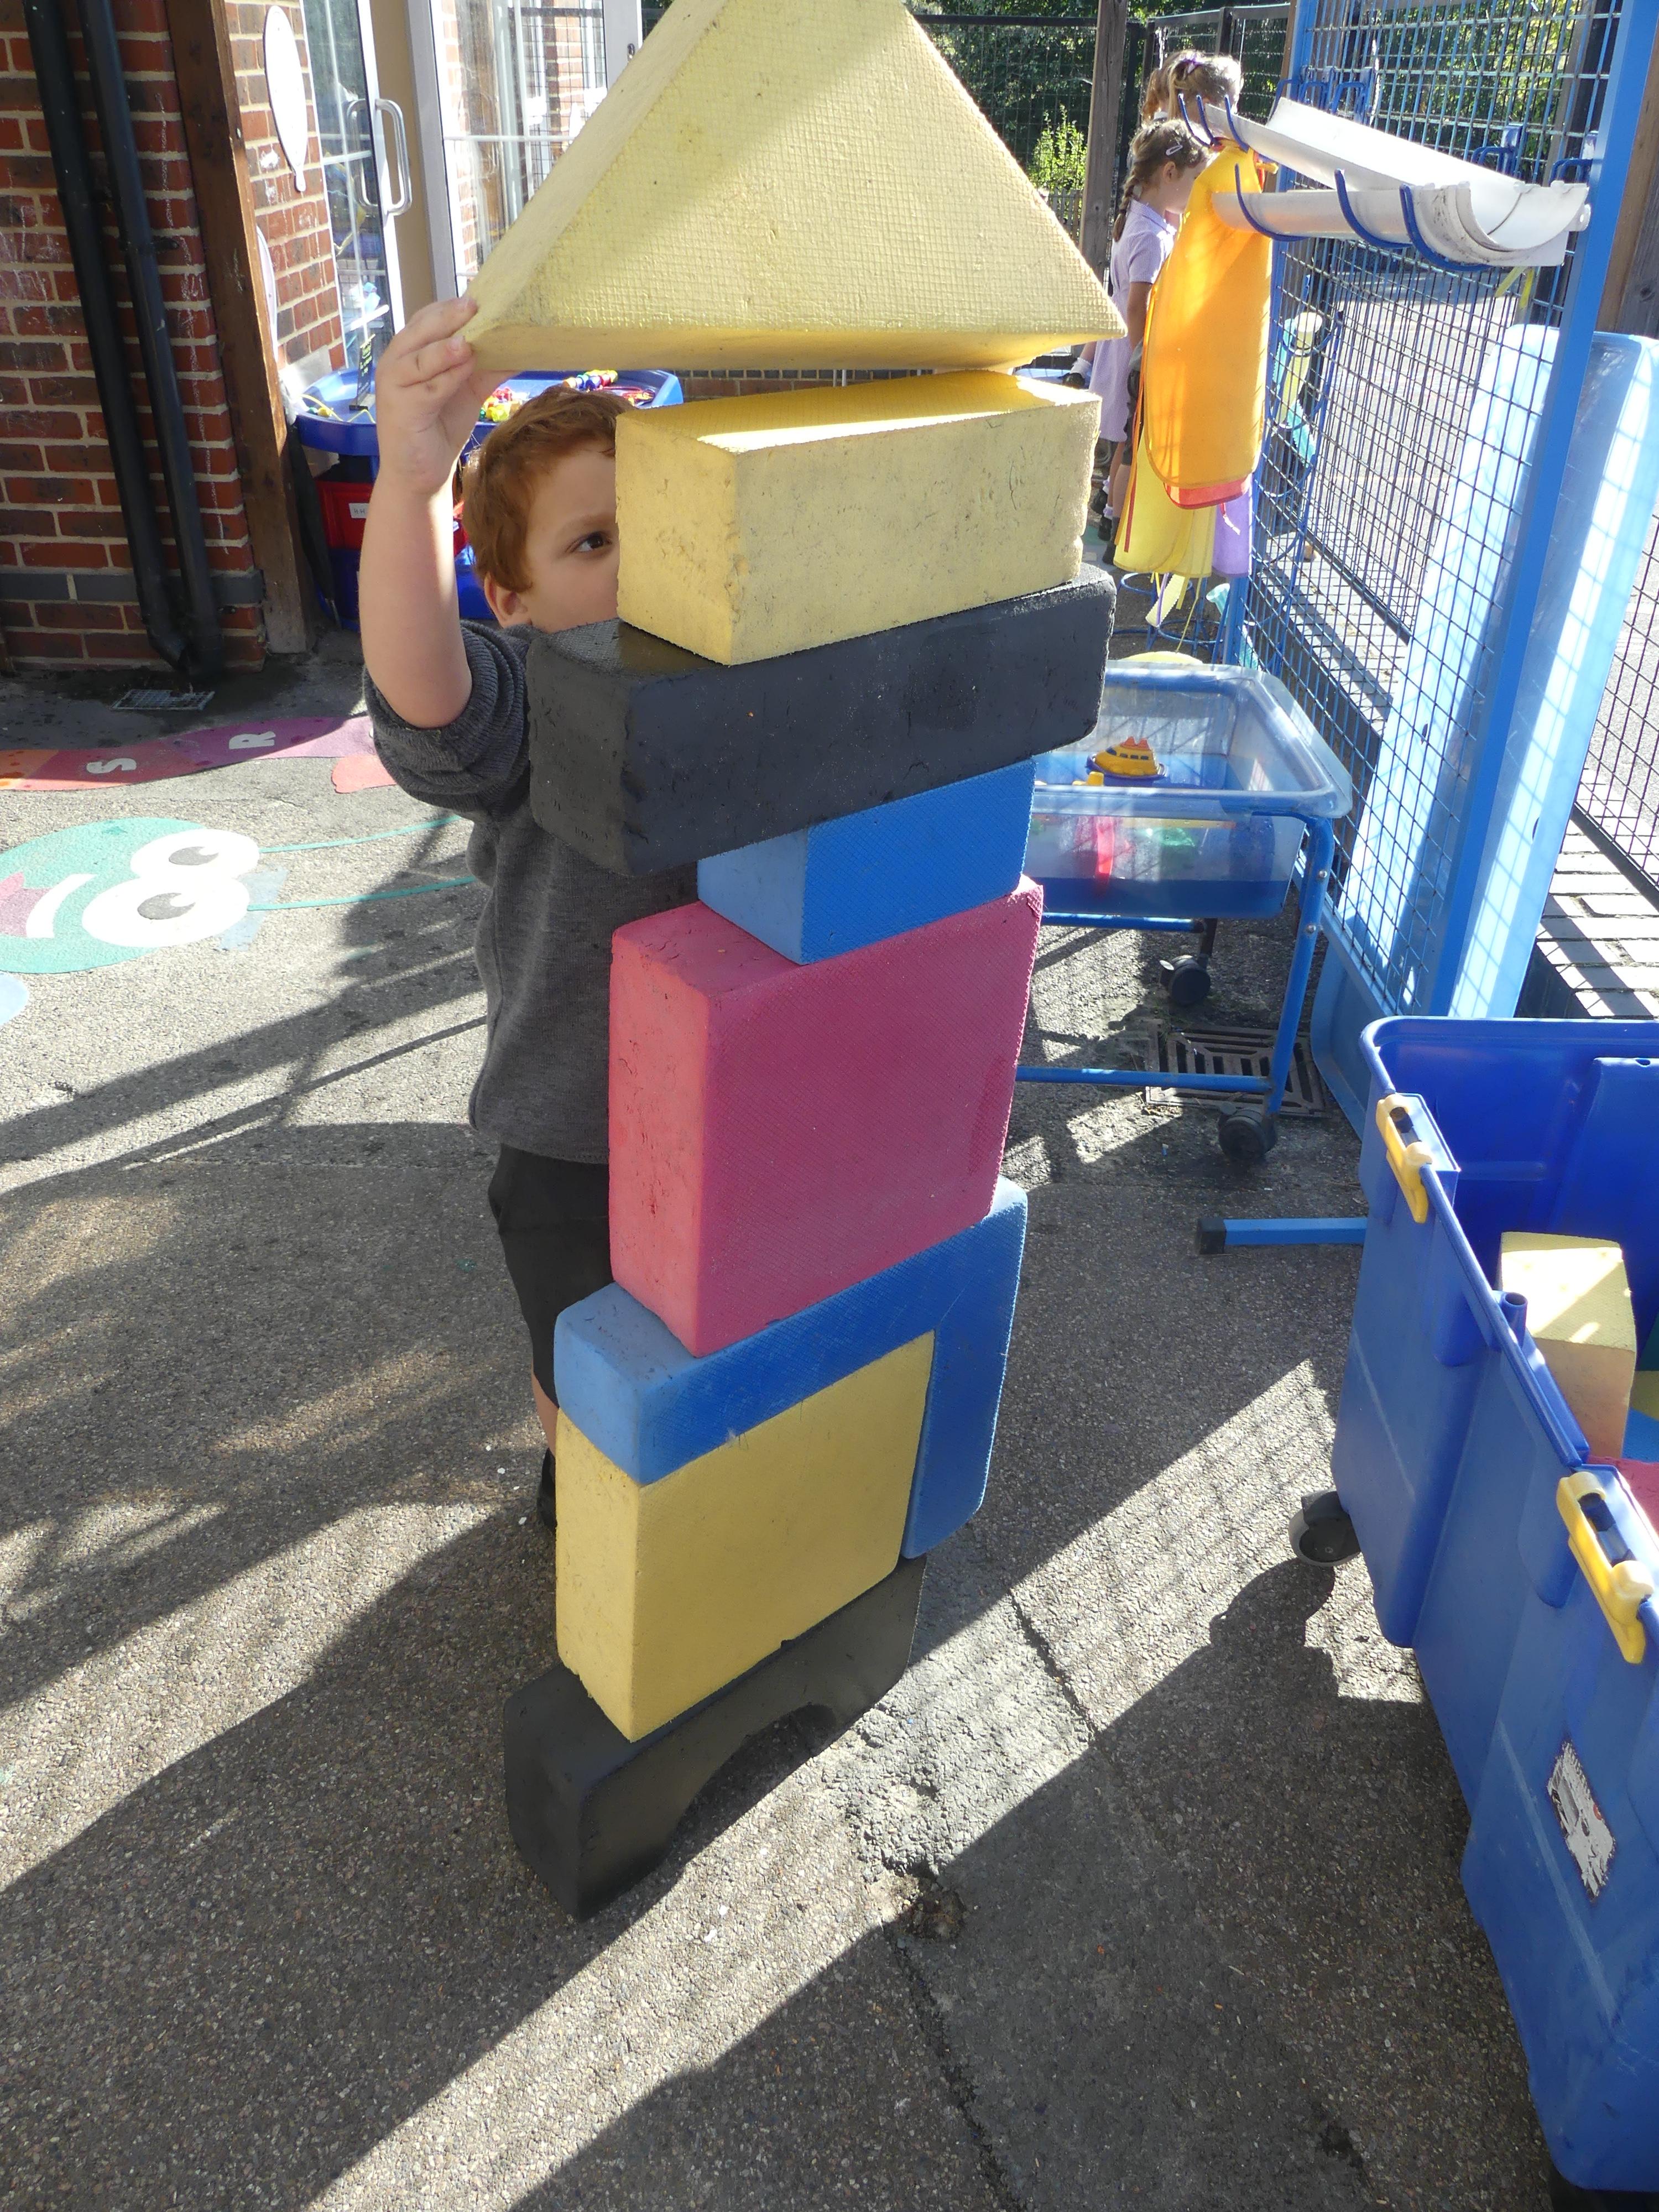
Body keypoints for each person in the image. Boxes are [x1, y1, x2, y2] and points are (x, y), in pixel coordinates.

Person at [357, 295, 697, 1531]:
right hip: (573, 1125)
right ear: (511, 596)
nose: (637, 562)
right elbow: (428, 694)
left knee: (709, 1336)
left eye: (661, 526)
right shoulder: (535, 690)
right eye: (594, 542)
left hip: (727, 1107)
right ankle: (586, 1492)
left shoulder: (737, 665)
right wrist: (410, 486)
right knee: (581, 1358)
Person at [1078, 119, 1207, 530]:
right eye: (1195, 180)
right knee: (1130, 443)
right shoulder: (1150, 236)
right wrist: (1143, 357)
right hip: (1131, 353)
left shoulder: (1139, 219)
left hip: (1121, 347)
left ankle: (1110, 510)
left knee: (1124, 439)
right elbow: (1138, 305)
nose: (1197, 190)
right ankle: (1114, 521)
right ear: (1169, 174)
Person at [1140, 48, 1244, 127]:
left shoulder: (1164, 135)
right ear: (1205, 107)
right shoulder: (1181, 145)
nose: (1235, 111)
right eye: (1233, 103)